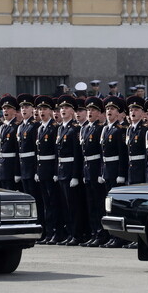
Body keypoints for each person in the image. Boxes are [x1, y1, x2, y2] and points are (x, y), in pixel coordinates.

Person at [55, 94, 85, 246]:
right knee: (65, 206)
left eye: (66, 108)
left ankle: (77, 234)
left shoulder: (75, 129)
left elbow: (77, 154)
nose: (63, 110)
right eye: (61, 108)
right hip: (62, 170)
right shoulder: (60, 128)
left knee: (73, 205)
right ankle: (70, 233)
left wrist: (75, 175)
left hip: (70, 170)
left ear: (73, 111)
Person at [80, 96, 106, 247]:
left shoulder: (100, 129)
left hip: (96, 168)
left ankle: (101, 233)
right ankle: (94, 232)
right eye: (88, 110)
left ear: (99, 114)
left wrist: (101, 172)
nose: (90, 112)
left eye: (93, 110)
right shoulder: (84, 128)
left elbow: (102, 153)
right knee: (91, 204)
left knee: (99, 203)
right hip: (87, 169)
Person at [34, 95, 60, 245]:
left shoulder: (54, 128)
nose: (41, 111)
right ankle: (47, 232)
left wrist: (56, 172)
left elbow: (56, 153)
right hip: (42, 170)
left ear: (50, 111)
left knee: (53, 203)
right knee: (45, 203)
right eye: (39, 109)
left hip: (51, 170)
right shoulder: (40, 128)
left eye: (44, 109)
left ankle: (55, 232)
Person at [0, 95, 21, 190]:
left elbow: (17, 150)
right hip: (3, 166)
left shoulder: (16, 127)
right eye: (3, 108)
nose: (5, 111)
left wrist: (17, 172)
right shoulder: (2, 127)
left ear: (15, 111)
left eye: (8, 108)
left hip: (11, 167)